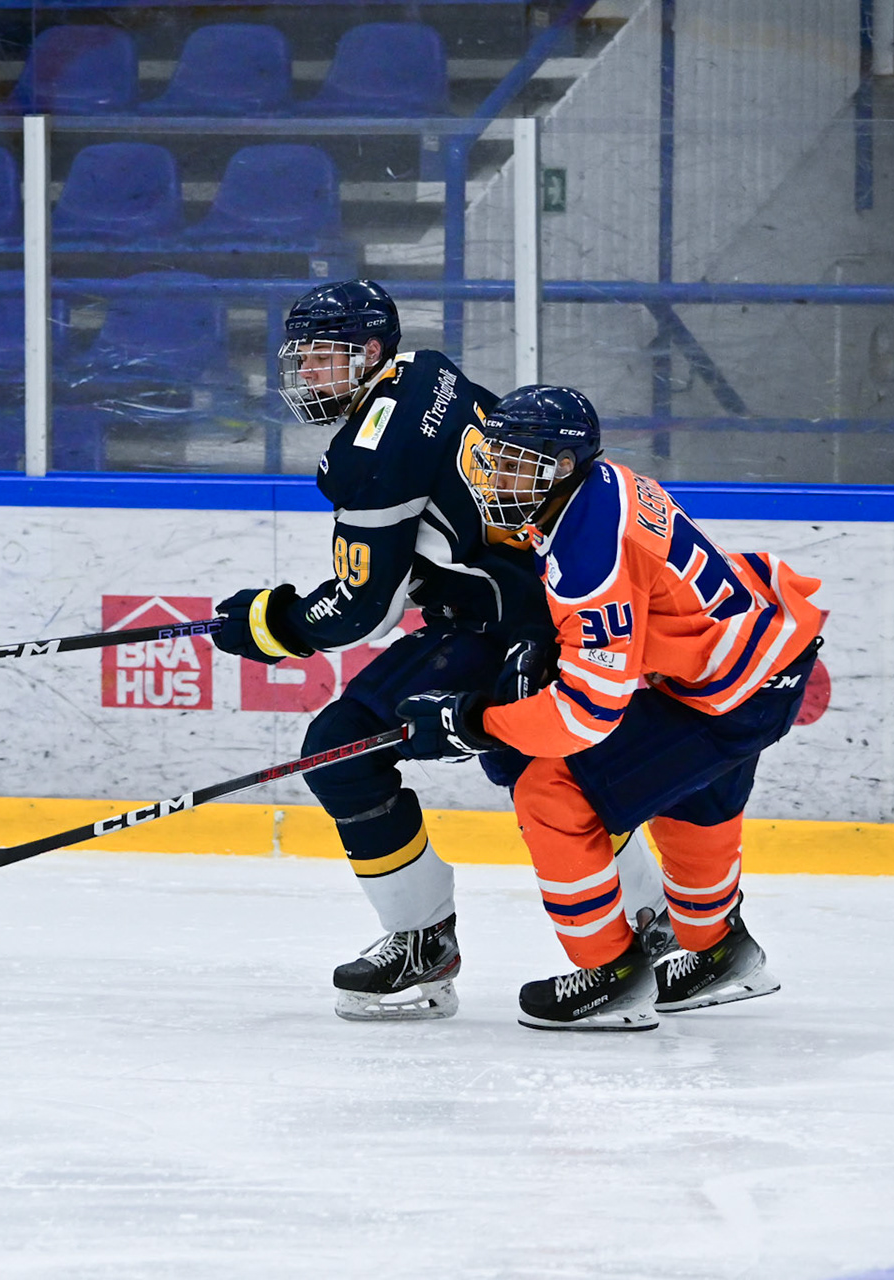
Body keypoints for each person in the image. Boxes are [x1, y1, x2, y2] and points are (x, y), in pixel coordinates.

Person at [208, 281, 661, 1022]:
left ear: (370, 352)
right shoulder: (428, 374)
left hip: (509, 623)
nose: (306, 374)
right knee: (537, 773)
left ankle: (430, 942)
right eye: (302, 358)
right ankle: (653, 920)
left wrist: (268, 623)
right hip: (528, 606)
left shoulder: (372, 453)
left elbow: (363, 610)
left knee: (354, 751)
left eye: (322, 357)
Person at [396, 385, 825, 1031]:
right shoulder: (607, 484)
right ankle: (719, 955)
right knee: (691, 801)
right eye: (493, 459)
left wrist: (474, 723)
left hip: (731, 692)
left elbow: (584, 716)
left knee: (550, 792)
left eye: (514, 463)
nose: (496, 477)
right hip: (752, 665)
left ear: (562, 465)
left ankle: (611, 977)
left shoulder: (588, 555)